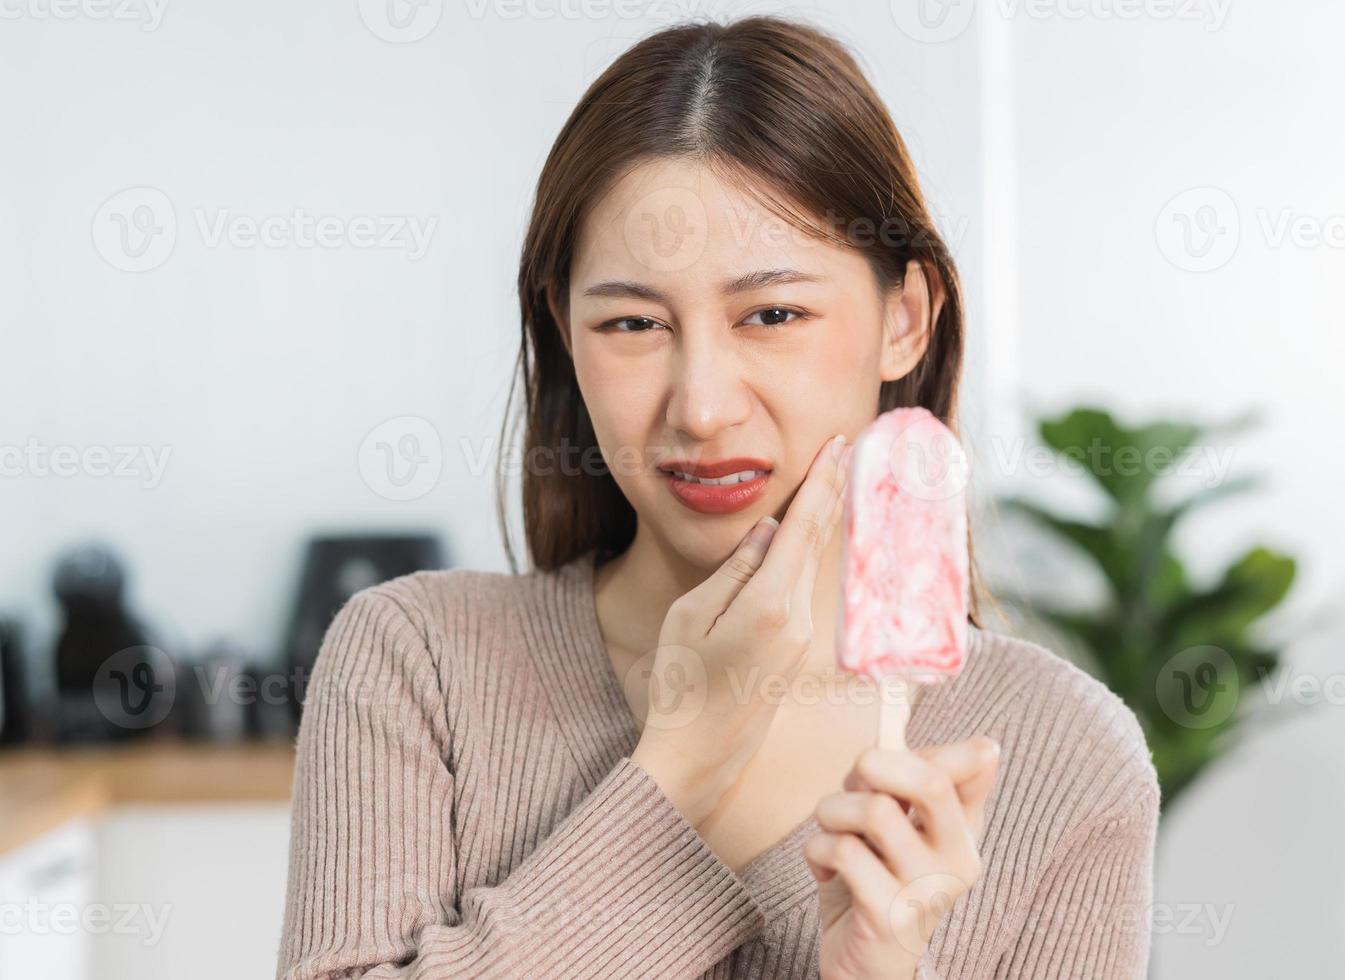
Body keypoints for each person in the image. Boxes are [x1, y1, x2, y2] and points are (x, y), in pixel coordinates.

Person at [277, 15, 1158, 979]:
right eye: (632, 322)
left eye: (772, 314)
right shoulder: (417, 667)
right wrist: (676, 774)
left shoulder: (1067, 756)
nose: (699, 407)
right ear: (563, 333)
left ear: (904, 319)